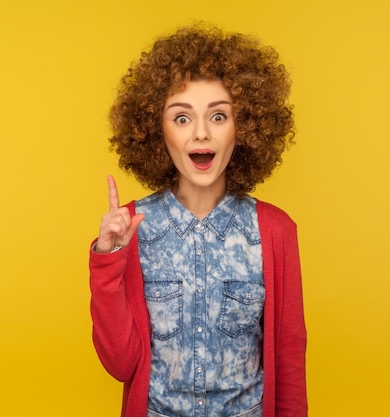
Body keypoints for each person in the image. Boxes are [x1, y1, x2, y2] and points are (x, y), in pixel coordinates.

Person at [89, 24, 307, 417]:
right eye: (182, 118)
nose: (201, 134)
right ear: (158, 131)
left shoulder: (275, 231)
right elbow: (119, 364)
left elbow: (289, 360)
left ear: (244, 129)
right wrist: (108, 260)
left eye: (219, 116)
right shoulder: (131, 229)